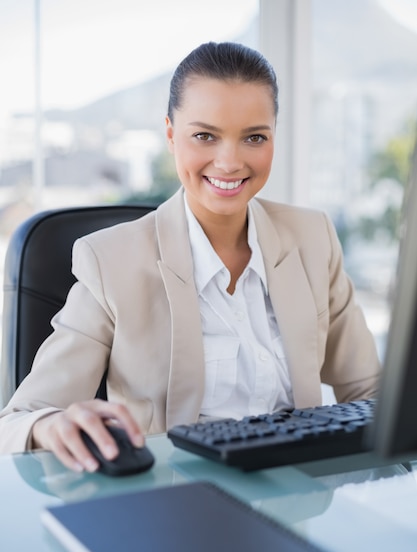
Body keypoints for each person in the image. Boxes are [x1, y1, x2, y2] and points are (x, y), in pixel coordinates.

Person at [0, 41, 380, 472]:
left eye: (254, 137)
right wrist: (52, 425)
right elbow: (17, 422)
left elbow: (371, 391)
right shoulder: (110, 262)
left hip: (299, 499)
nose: (230, 162)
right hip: (172, 507)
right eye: (205, 136)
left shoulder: (312, 238)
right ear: (170, 135)